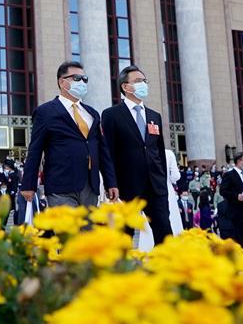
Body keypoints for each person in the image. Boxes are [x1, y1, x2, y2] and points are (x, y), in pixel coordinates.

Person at [21, 61, 118, 208]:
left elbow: (102, 150)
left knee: (89, 224)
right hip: (61, 185)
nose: (82, 82)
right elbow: (35, 149)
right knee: (67, 224)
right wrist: (29, 184)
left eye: (84, 79)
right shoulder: (45, 112)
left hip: (90, 186)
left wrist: (111, 182)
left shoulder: (92, 113)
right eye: (76, 78)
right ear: (62, 82)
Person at [102, 66, 171, 245]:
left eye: (144, 81)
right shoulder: (111, 115)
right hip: (126, 186)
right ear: (125, 87)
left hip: (155, 186)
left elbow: (159, 151)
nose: (143, 85)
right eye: (138, 81)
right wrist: (111, 183)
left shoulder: (154, 116)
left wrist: (162, 180)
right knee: (124, 237)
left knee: (164, 233)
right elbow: (108, 153)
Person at [217, 152, 243, 248]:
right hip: (236, 214)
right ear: (239, 161)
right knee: (240, 242)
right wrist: (236, 196)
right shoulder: (229, 175)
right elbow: (223, 191)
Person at [165, 149, 183, 236]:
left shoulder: (144, 152)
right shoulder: (168, 153)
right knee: (172, 220)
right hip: (167, 189)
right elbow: (175, 176)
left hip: (150, 190)